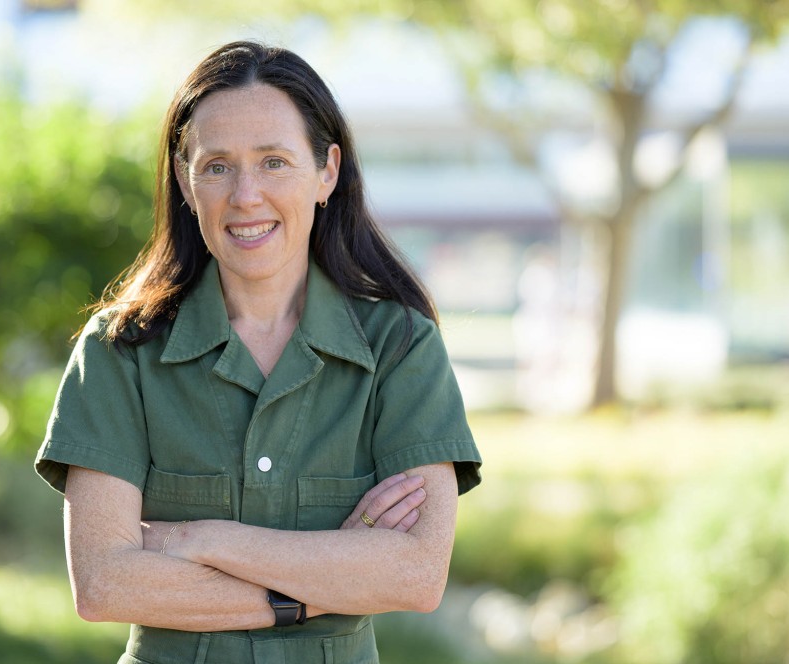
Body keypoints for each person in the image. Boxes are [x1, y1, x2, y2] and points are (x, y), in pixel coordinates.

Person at [34, 40, 482, 664]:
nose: (245, 195)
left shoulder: (402, 349)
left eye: (274, 161)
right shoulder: (119, 353)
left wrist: (199, 539)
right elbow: (106, 584)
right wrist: (321, 583)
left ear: (327, 171)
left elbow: (414, 576)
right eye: (217, 166)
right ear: (186, 183)